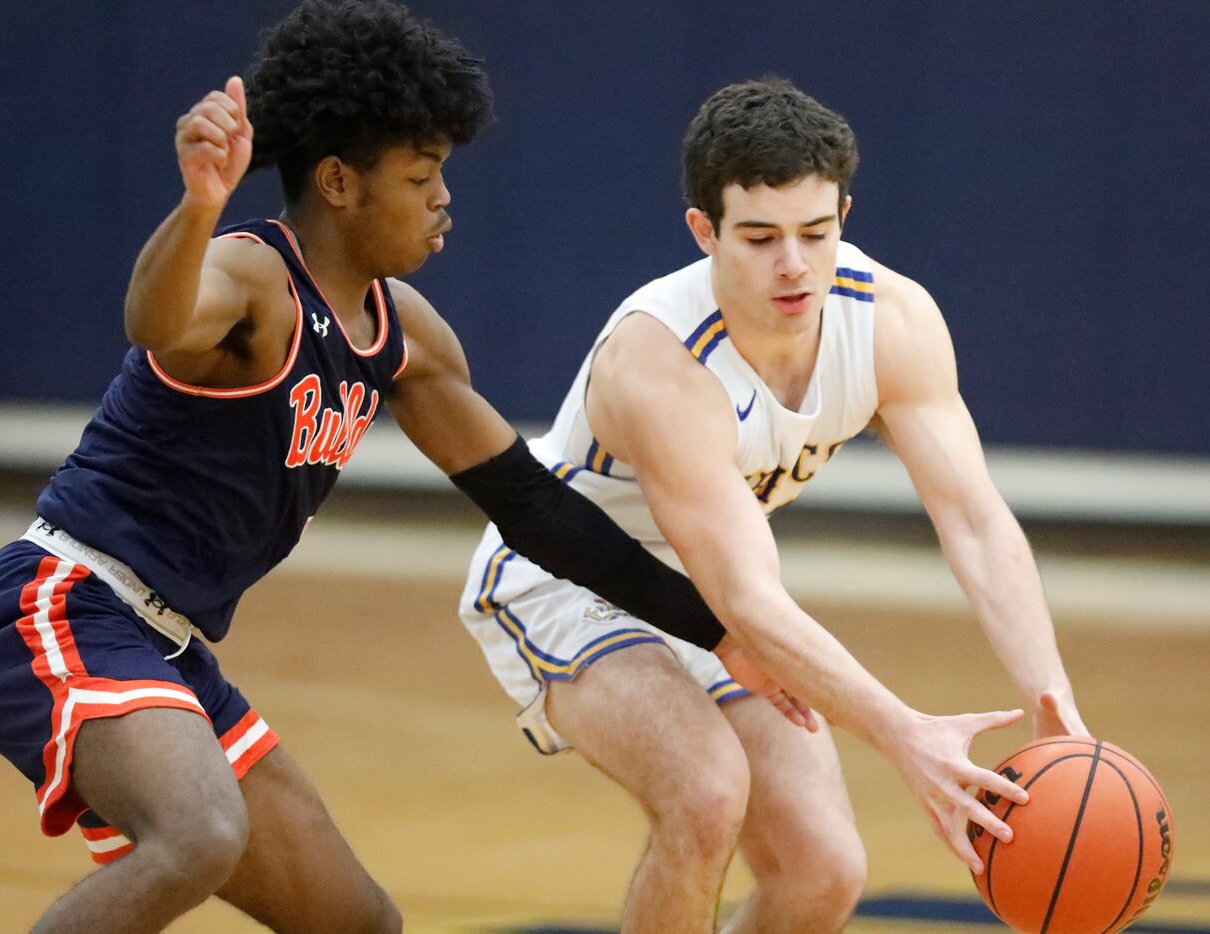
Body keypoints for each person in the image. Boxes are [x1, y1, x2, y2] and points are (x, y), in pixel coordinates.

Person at [0, 4, 795, 931]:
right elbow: (155, 324)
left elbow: (528, 505)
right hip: (66, 601)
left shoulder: (407, 335)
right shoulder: (249, 277)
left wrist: (716, 630)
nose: (443, 197)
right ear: (338, 183)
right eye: (420, 175)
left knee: (360, 924)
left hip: (168, 643)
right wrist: (199, 207)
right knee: (197, 834)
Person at [459, 77, 1090, 933]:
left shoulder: (892, 320)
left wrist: (1051, 699)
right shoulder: (662, 363)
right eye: (758, 238)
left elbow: (974, 522)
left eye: (815, 233)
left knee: (823, 871)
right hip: (571, 581)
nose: (793, 264)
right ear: (703, 231)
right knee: (705, 792)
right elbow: (747, 600)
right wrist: (904, 734)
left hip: (715, 588)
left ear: (843, 216)